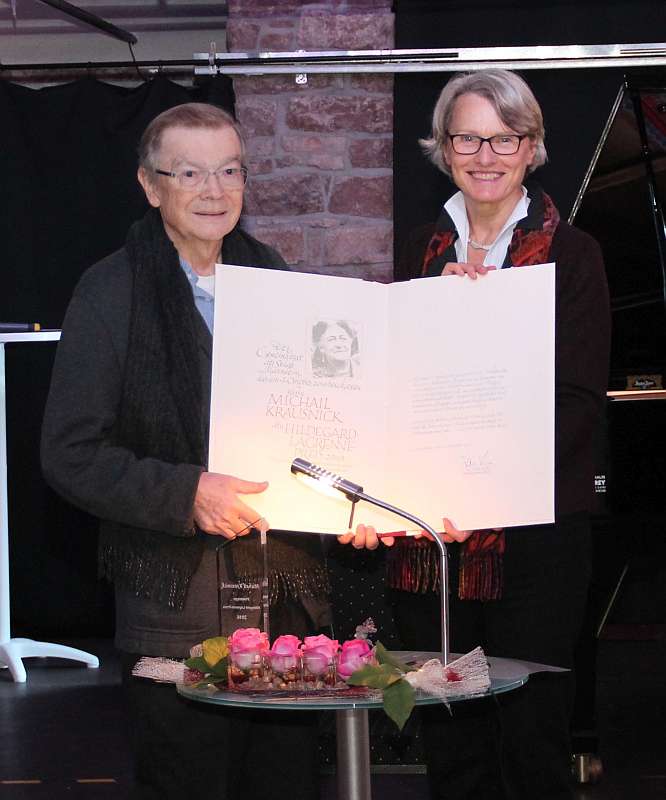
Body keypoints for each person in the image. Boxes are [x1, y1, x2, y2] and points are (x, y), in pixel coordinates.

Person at [40, 103, 386, 800]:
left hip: (288, 608)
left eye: (230, 170)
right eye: (190, 172)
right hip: (175, 613)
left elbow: (319, 427)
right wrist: (185, 493)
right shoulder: (109, 292)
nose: (214, 190)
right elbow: (69, 452)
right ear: (149, 184)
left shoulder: (277, 282)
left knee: (285, 785)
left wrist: (361, 492)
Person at [361, 69, 610, 799]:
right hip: (431, 537)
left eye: (505, 137)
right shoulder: (418, 250)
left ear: (532, 147)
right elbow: (396, 384)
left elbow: (577, 399)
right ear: (442, 147)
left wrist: (482, 485)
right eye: (467, 136)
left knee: (531, 741)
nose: (486, 153)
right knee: (451, 741)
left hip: (534, 538)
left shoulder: (575, 254)